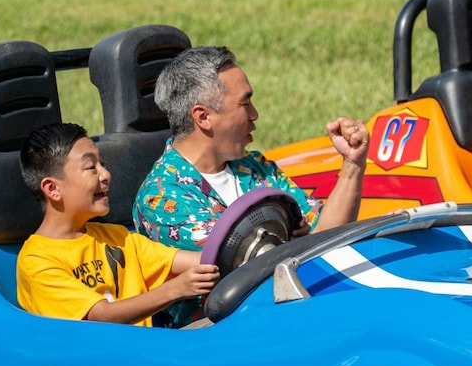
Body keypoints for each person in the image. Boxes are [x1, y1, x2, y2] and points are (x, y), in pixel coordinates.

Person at [133, 44, 369, 327]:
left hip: (285, 316)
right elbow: (248, 271)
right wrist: (296, 243)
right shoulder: (162, 198)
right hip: (218, 337)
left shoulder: (257, 169)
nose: (255, 114)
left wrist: (353, 165)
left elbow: (324, 236)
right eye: (245, 104)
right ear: (203, 117)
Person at [16, 122, 220, 325]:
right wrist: (175, 289)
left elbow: (198, 261)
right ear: (52, 189)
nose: (106, 175)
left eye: (103, 165)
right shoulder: (36, 261)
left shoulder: (117, 237)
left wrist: (242, 251)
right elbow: (99, 318)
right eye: (91, 168)